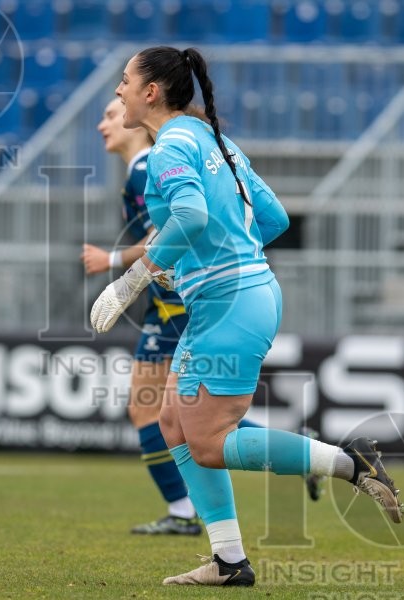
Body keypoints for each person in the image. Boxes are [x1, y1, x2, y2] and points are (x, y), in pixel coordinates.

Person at [90, 47, 403, 587]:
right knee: (173, 424)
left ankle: (352, 464)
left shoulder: (169, 148)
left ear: (151, 92)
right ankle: (229, 561)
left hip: (230, 303)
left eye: (124, 82)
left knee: (210, 442)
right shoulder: (215, 139)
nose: (118, 92)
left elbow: (190, 214)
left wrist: (132, 280)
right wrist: (211, 257)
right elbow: (275, 218)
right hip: (238, 296)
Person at [85, 98, 274, 535]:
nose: (103, 124)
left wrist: (117, 264)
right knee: (181, 412)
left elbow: (171, 230)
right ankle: (301, 460)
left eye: (112, 113)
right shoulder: (175, 154)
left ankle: (184, 511)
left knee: (153, 410)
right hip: (181, 297)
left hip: (177, 304)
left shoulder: (151, 163)